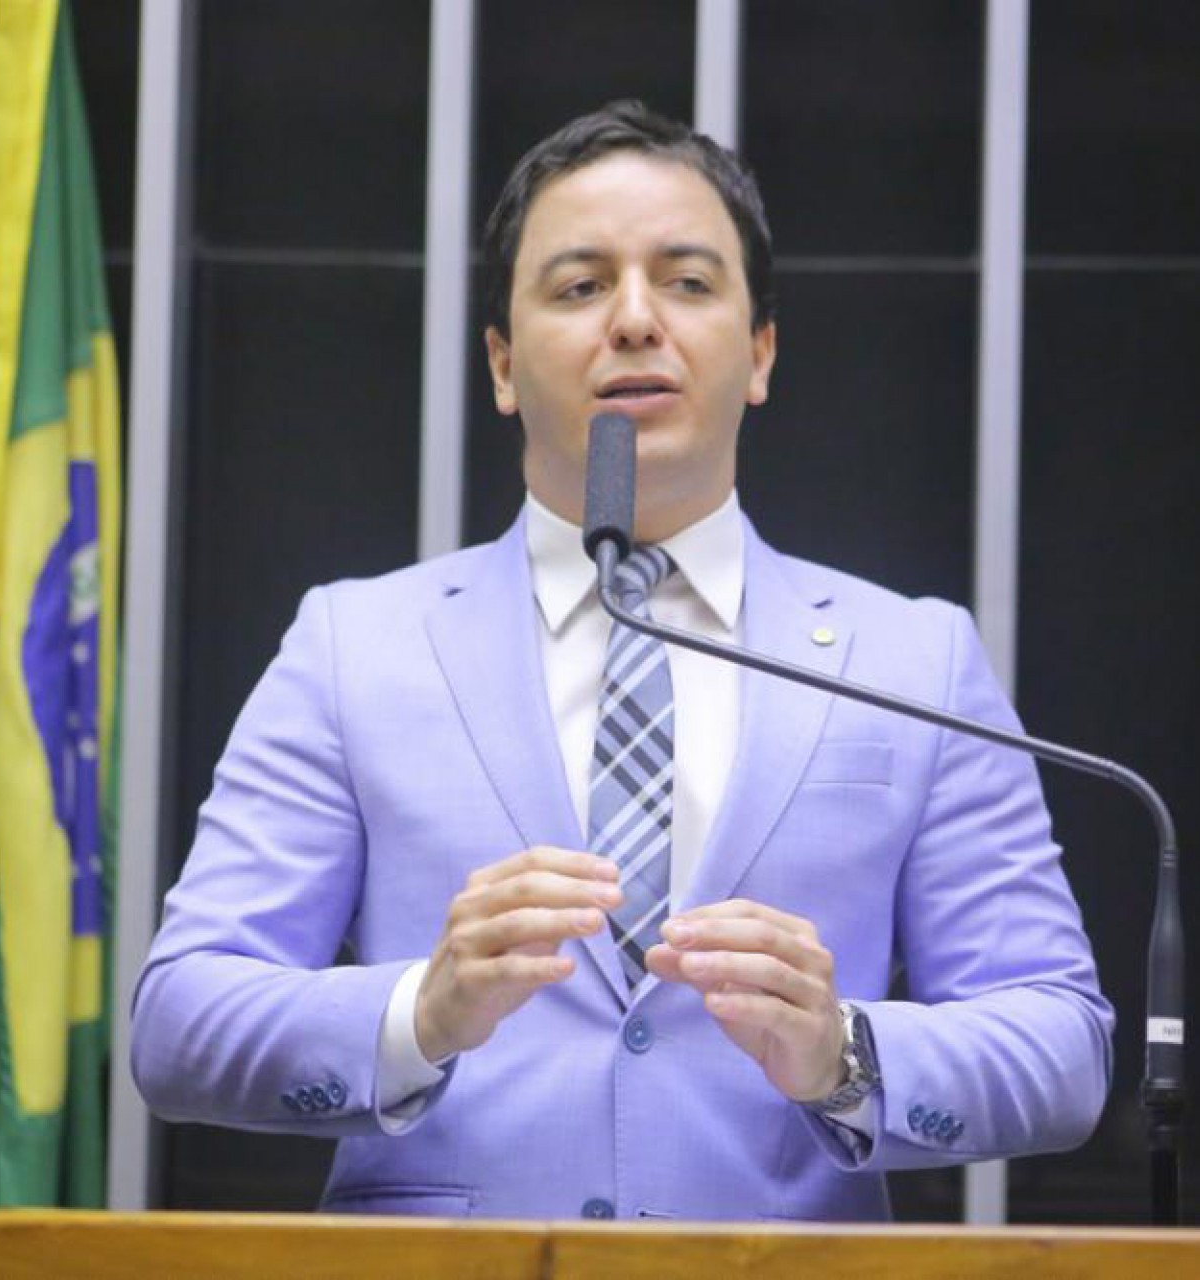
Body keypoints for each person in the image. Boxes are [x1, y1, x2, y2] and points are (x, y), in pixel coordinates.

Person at [131, 100, 1111, 1222]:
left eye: (687, 282)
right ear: (502, 364)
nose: (637, 320)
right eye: (580, 286)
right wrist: (420, 1014)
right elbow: (182, 1023)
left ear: (761, 352)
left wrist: (843, 1053)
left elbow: (1060, 1045)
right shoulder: (355, 646)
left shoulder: (911, 660)